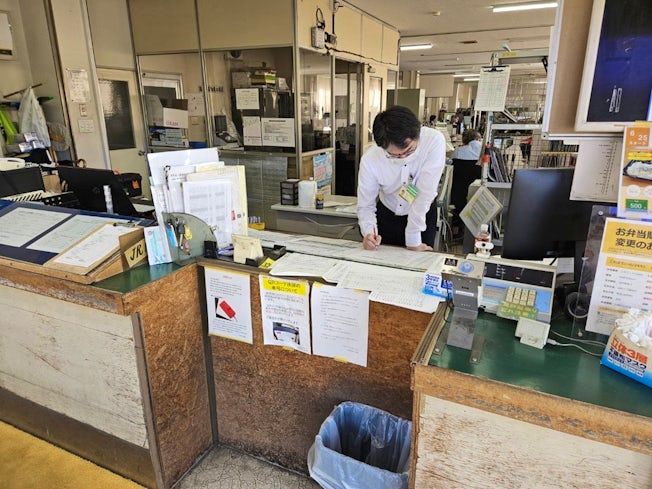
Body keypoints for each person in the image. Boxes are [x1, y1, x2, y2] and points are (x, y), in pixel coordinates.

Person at [357, 105, 446, 252]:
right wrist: (368, 233)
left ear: (418, 133)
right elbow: (366, 205)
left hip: (421, 214)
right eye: (395, 155)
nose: (403, 157)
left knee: (419, 263)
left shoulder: (433, 141)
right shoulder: (370, 159)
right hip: (388, 214)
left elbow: (425, 193)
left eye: (409, 150)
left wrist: (413, 239)